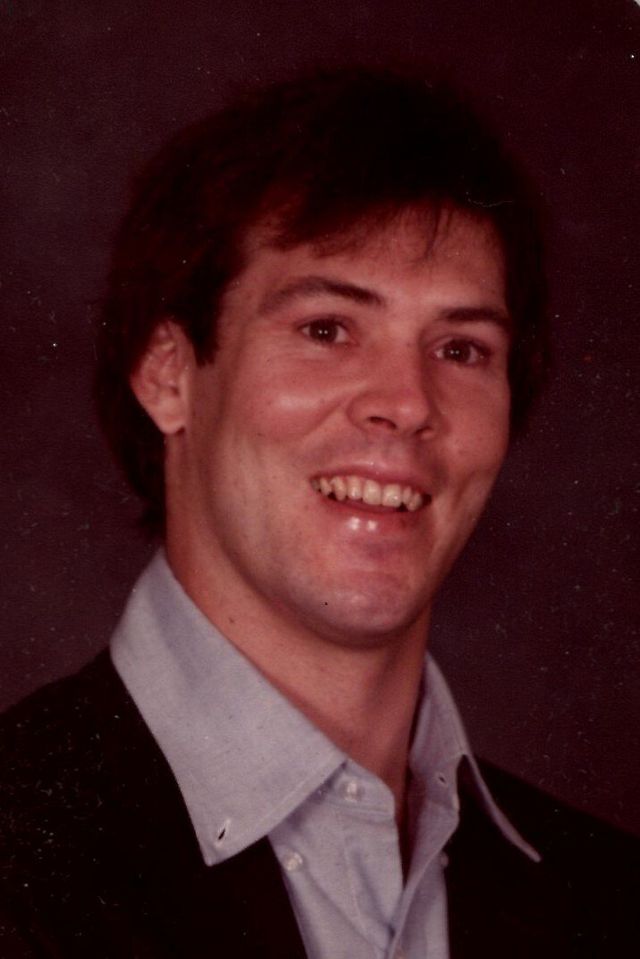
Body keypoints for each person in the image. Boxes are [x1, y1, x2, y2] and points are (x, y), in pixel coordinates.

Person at [0, 66, 636, 958]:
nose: (406, 403)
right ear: (168, 373)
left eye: (461, 348)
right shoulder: (19, 853)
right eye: (327, 329)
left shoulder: (611, 898)